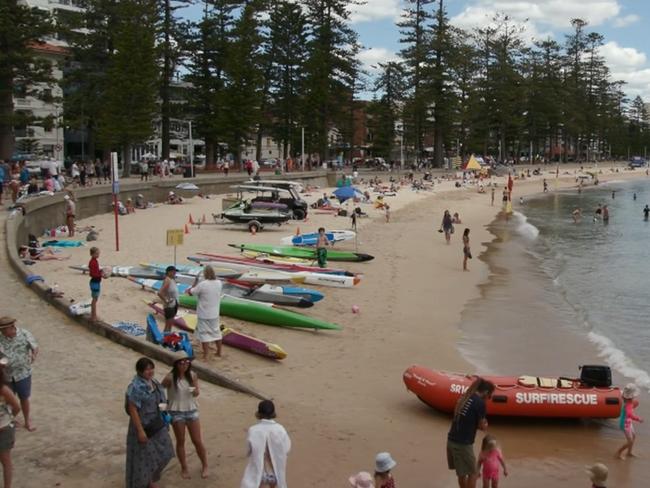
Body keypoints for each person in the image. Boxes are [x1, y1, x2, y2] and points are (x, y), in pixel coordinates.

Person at [125, 357, 174, 488]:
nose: (150, 371)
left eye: (151, 368)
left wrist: (166, 415)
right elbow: (133, 409)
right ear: (140, 371)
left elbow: (161, 399)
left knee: (165, 451)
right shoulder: (136, 387)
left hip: (156, 423)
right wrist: (140, 431)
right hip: (143, 425)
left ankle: (150, 479)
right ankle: (145, 483)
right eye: (147, 369)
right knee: (143, 457)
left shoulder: (154, 382)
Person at [162, 352, 208, 479]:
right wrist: (164, 407)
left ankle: (205, 465)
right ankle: (184, 467)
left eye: (187, 362)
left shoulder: (192, 376)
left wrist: (193, 388)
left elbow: (196, 393)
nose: (185, 365)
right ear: (176, 364)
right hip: (176, 412)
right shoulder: (170, 377)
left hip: (191, 409)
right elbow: (161, 390)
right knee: (181, 441)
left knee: (197, 441)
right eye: (182, 363)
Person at [447, 377, 495, 488]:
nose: (489, 398)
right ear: (486, 392)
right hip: (462, 444)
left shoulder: (465, 397)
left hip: (451, 440)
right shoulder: (480, 403)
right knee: (474, 473)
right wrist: (485, 425)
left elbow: (463, 419)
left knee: (462, 474)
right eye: (490, 396)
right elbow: (482, 426)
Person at [241, 400, 291, 488]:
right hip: (275, 471)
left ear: (259, 413)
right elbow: (287, 448)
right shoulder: (280, 429)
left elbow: (248, 450)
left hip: (259, 471)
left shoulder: (253, 430)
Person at [0, 317, 38, 432]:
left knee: (24, 398)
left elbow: (34, 346)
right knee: (8, 400)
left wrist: (34, 354)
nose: (2, 332)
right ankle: (10, 419)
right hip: (6, 374)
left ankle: (27, 421)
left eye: (4, 330)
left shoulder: (24, 334)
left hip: (23, 373)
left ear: (12, 327)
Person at [187, 265, 223, 359]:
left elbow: (191, 292)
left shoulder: (203, 284)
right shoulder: (219, 283)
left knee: (204, 335)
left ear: (205, 273)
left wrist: (194, 284)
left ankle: (206, 355)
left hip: (204, 313)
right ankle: (219, 352)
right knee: (216, 332)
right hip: (215, 313)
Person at [0, 354, 21, 488]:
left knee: (5, 460)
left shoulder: (4, 390)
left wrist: (8, 419)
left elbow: (16, 407)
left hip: (4, 429)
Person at [615, 383, 643, 460]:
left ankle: (629, 452)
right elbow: (630, 414)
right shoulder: (628, 405)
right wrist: (638, 419)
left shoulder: (628, 402)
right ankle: (619, 452)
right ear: (632, 395)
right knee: (630, 441)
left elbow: (632, 406)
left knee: (633, 436)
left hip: (628, 422)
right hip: (625, 425)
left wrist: (635, 404)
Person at [158, 266, 179, 333]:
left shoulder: (172, 280)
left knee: (170, 325)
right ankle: (165, 340)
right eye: (173, 272)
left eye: (175, 271)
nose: (175, 273)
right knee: (168, 325)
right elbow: (160, 293)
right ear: (168, 272)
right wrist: (166, 300)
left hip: (174, 305)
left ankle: (167, 339)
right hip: (169, 306)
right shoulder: (167, 280)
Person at [87, 247, 103, 321]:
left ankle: (93, 315)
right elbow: (93, 274)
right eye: (96, 254)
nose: (98, 255)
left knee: (95, 299)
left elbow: (95, 271)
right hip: (95, 282)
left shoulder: (94, 261)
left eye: (98, 253)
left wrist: (100, 271)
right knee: (94, 300)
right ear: (92, 254)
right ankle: (93, 316)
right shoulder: (93, 262)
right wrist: (101, 275)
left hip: (96, 282)